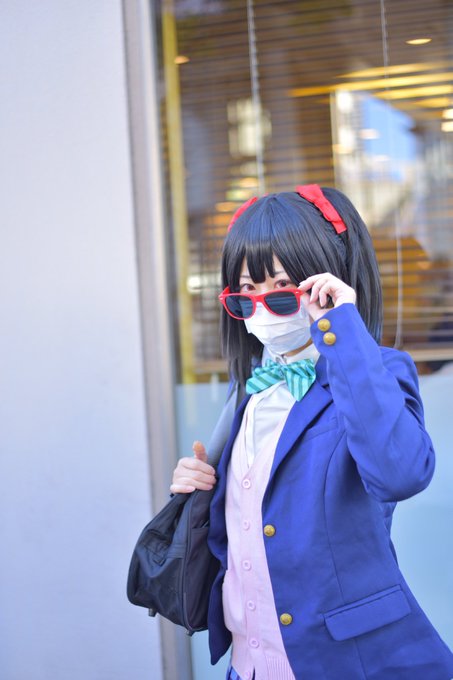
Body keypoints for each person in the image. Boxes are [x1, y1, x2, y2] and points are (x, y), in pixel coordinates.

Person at [171, 185, 453, 680]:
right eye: (245, 297)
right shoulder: (248, 389)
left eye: (282, 292)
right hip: (250, 663)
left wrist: (343, 327)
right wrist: (201, 489)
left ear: (323, 283)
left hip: (347, 663)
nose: (262, 310)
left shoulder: (374, 372)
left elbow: (401, 473)